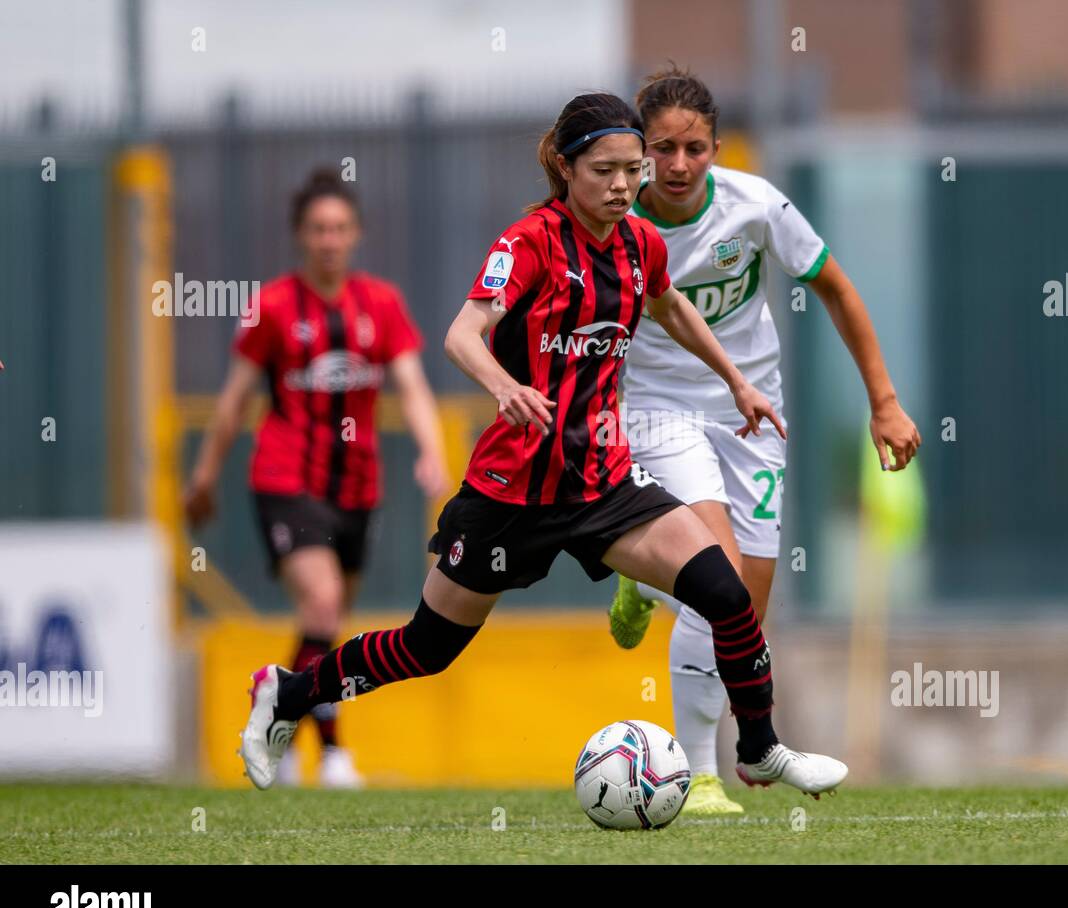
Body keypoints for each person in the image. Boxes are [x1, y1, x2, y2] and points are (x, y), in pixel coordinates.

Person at [239, 93, 848, 799]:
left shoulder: (639, 242)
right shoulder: (528, 242)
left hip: (602, 481)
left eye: (632, 170)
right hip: (513, 490)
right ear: (565, 167)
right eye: (604, 171)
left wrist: (736, 380)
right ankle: (285, 693)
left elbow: (671, 304)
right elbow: (462, 335)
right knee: (426, 646)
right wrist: (505, 386)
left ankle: (761, 745)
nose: (623, 185)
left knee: (725, 589)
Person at [608, 67, 920, 814]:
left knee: (745, 600)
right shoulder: (613, 219)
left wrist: (885, 401)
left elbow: (837, 287)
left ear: (717, 148)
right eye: (662, 150)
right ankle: (695, 774)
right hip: (655, 408)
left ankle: (644, 580)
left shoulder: (756, 206)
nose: (679, 165)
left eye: (694, 149)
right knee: (711, 574)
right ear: (640, 153)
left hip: (752, 411)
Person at [187, 168, 450, 787]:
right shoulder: (273, 307)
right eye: (317, 229)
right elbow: (233, 401)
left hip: (357, 488)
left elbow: (412, 385)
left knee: (326, 628)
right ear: (300, 236)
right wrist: (202, 477)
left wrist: (431, 451)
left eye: (339, 228)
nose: (329, 240)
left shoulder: (380, 304)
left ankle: (275, 708)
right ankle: (332, 754)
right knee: (325, 604)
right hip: (286, 477)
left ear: (355, 234)